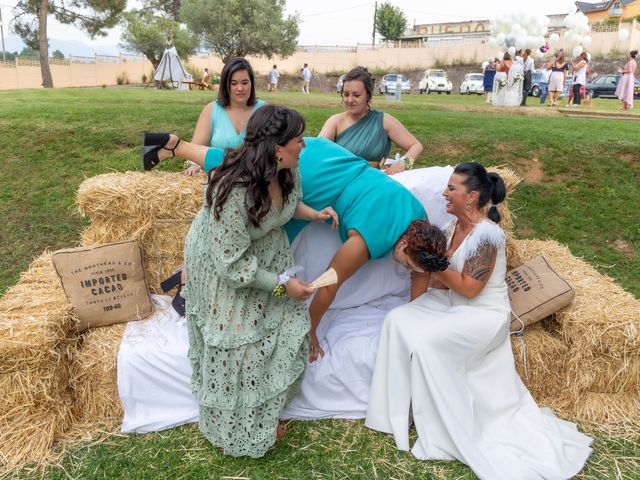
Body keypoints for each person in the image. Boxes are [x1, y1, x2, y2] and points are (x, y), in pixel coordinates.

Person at [365, 162, 593, 479]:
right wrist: (415, 264)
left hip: (482, 314)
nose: (445, 192)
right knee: (397, 319)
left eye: (451, 188)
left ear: (471, 196)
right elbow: (442, 284)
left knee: (430, 344)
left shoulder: (487, 236)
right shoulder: (450, 228)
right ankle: (394, 413)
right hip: (452, 302)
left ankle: (444, 428)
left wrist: (431, 262)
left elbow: (471, 289)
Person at [143, 127, 443, 365]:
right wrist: (311, 330)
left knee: (241, 160)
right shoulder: (368, 242)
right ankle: (192, 277)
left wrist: (415, 317)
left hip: (331, 158)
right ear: (405, 243)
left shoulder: (420, 221)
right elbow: (329, 284)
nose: (403, 268)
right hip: (318, 183)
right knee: (256, 233)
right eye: (405, 264)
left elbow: (421, 271)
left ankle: (175, 146)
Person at [156, 105, 338, 457]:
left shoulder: (289, 171)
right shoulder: (232, 187)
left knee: (286, 324)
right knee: (239, 344)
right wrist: (285, 286)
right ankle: (237, 423)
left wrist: (315, 214)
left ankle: (264, 411)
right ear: (276, 148)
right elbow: (233, 265)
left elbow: (288, 204)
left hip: (264, 254)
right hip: (222, 261)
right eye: (298, 140)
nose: (305, 146)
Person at [318, 66, 423, 174]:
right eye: (346, 94)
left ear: (368, 96)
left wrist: (404, 163)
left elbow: (416, 146)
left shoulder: (384, 121)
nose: (349, 100)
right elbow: (317, 150)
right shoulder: (335, 121)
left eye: (356, 95)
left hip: (373, 181)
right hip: (340, 180)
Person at [185, 57, 266, 177]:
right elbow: (195, 148)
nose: (240, 88)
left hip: (255, 180)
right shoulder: (212, 110)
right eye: (234, 83)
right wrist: (195, 164)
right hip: (218, 180)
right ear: (225, 85)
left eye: (245, 82)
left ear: (251, 83)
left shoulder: (264, 110)